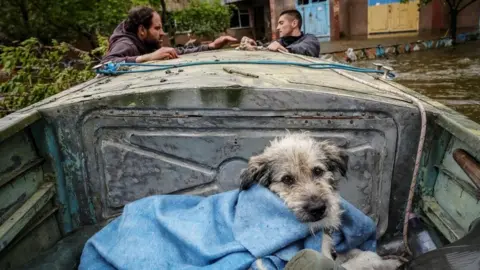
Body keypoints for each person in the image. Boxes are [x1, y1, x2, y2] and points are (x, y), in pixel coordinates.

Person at [102, 6, 237, 63]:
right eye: (157, 28)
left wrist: (211, 46)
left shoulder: (144, 42)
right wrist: (147, 57)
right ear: (142, 30)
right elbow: (106, 63)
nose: (162, 33)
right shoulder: (127, 44)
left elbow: (176, 51)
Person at [240, 9, 320, 57]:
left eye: (281, 23)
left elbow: (305, 49)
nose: (278, 28)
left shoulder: (310, 39)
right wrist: (254, 44)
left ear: (294, 23)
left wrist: (285, 50)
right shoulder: (281, 41)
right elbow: (267, 45)